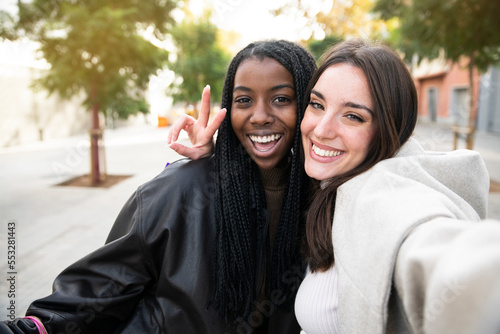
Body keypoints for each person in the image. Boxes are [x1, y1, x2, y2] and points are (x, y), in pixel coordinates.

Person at [170, 39, 500, 334]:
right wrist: (211, 163)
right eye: (317, 104)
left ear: (390, 130)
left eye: (353, 116)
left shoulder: (383, 197)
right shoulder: (320, 188)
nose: (321, 130)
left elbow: (439, 253)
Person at [0, 40, 317, 334]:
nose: (259, 116)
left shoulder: (323, 199)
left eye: (281, 99)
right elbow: (106, 284)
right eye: (244, 100)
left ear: (308, 105)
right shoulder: (180, 190)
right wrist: (34, 328)